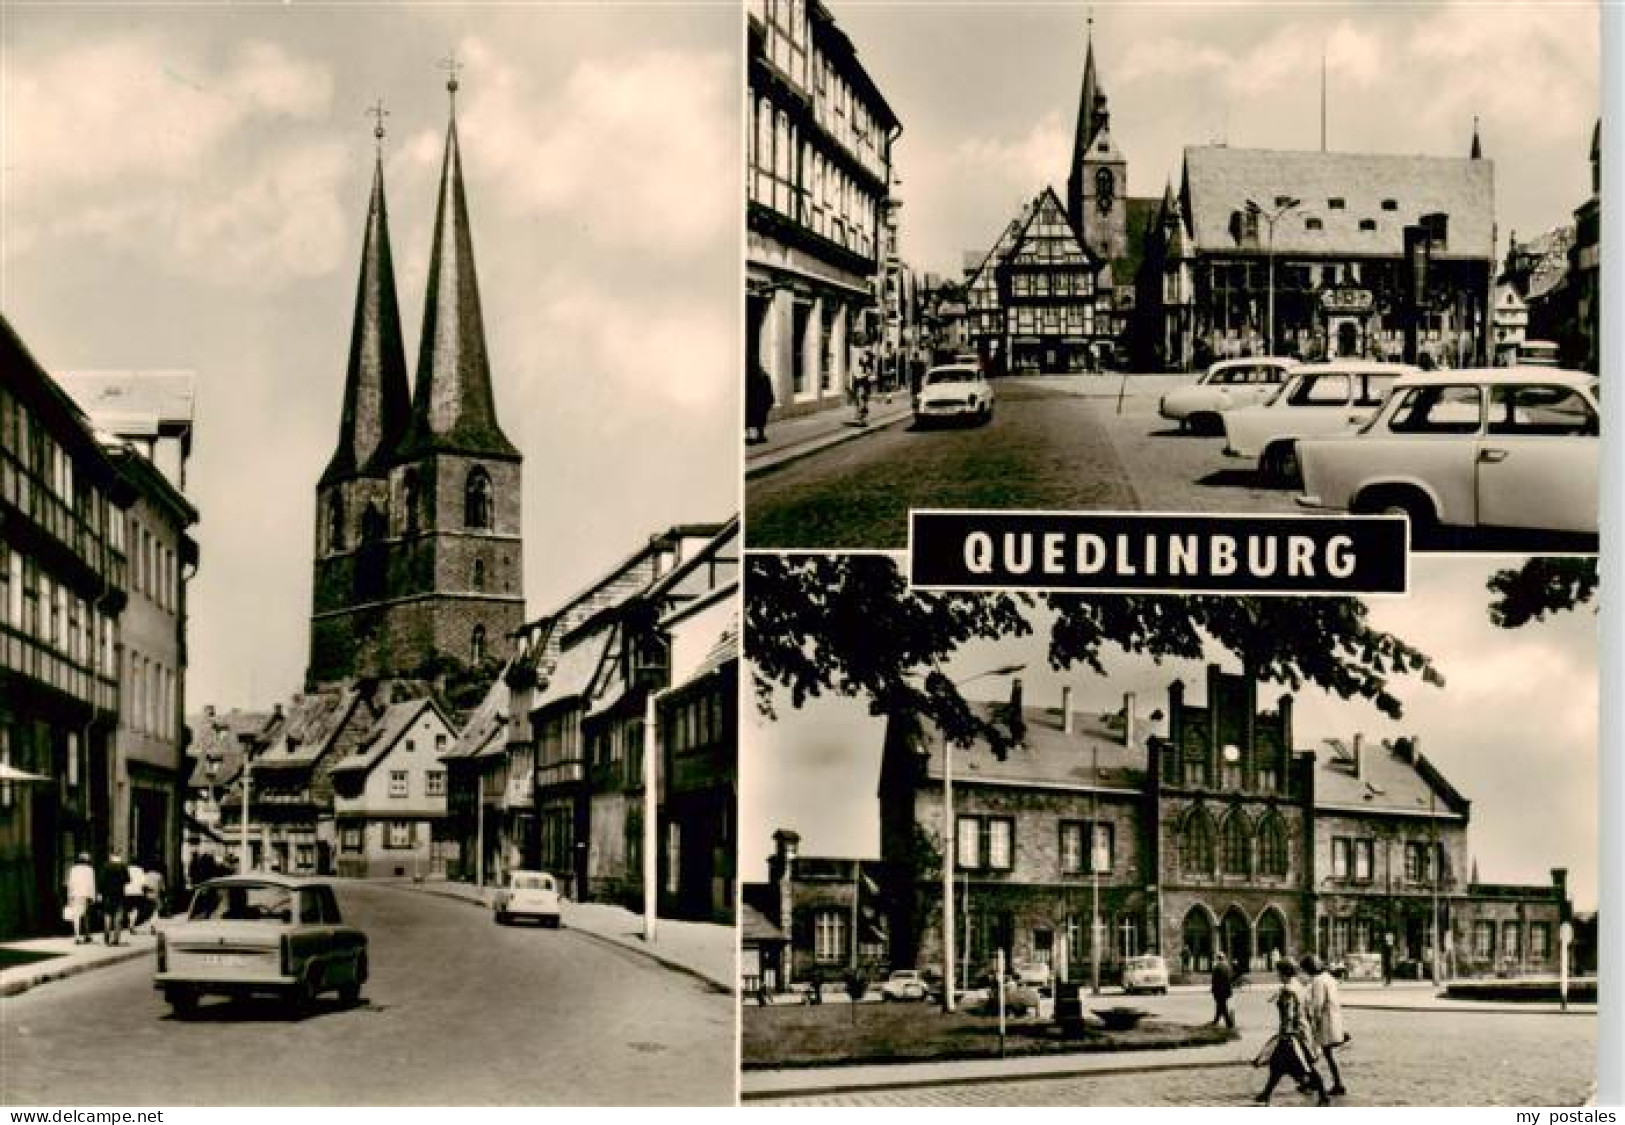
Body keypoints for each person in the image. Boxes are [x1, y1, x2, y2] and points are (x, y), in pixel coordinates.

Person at [1254, 958, 1329, 1106]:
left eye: (1279, 972)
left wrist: (1286, 1034)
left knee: (1304, 1065)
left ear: (1283, 973)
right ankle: (1266, 1093)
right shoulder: (1299, 987)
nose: (1277, 975)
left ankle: (1323, 1095)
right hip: (1302, 1029)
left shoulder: (1289, 990)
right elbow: (1308, 1009)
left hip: (1292, 1034)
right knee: (1277, 1064)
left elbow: (1289, 1014)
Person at [1303, 954, 1349, 1097]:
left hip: (1325, 1021)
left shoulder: (1318, 981)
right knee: (1327, 1054)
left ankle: (1334, 1083)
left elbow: (1318, 1004)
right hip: (1334, 1019)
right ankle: (1334, 1082)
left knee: (1318, 1052)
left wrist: (1312, 1020)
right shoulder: (1328, 977)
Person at [99, 851, 129, 946]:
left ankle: (107, 934)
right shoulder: (122, 867)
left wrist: (101, 892)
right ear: (118, 857)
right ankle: (116, 938)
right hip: (119, 894)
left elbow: (101, 881)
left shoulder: (106, 867)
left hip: (107, 895)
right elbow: (127, 879)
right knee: (118, 916)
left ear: (111, 857)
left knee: (107, 914)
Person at [65, 853, 97, 944]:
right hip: (85, 895)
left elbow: (70, 883)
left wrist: (69, 896)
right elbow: (92, 884)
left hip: (75, 895)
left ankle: (77, 936)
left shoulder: (73, 869)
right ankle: (87, 935)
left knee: (76, 916)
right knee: (87, 915)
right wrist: (93, 897)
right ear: (87, 861)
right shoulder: (90, 870)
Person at [745, 361, 775, 445]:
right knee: (759, 421)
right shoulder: (764, 376)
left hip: (755, 403)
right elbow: (769, 390)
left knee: (752, 421)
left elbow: (768, 390)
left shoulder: (750, 377)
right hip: (760, 403)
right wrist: (770, 400)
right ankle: (758, 436)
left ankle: (752, 437)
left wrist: (770, 400)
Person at [1210, 952, 1236, 1028]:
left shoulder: (1216, 968)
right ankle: (1216, 1021)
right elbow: (1230, 978)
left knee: (1222, 1007)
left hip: (1219, 991)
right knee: (1220, 1006)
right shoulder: (1227, 967)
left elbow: (1214, 981)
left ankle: (1229, 1024)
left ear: (1218, 959)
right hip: (1227, 990)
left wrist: (1213, 990)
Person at [123, 857, 149, 933]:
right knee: (136, 909)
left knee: (128, 908)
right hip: (138, 892)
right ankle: (132, 924)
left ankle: (129, 922)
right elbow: (144, 882)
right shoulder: (140, 870)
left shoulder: (126, 869)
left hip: (127, 891)